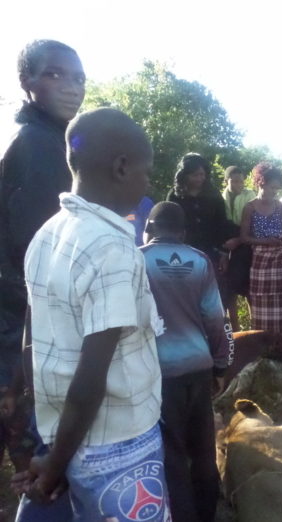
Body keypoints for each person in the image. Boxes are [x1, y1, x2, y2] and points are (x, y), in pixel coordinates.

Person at [13, 108, 170, 520]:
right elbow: (91, 376)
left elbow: (31, 342)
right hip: (120, 445)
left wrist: (53, 448)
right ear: (121, 167)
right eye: (146, 172)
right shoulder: (113, 249)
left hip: (63, 433)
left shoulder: (45, 236)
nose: (148, 182)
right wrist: (55, 465)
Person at [0, 39, 85, 521]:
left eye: (79, 78)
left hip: (21, 323)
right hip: (21, 328)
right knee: (38, 467)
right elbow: (38, 261)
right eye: (57, 75)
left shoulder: (50, 140)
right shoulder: (36, 147)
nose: (72, 87)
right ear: (27, 82)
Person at [141, 201, 232, 522]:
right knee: (204, 450)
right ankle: (207, 514)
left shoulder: (136, 261)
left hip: (158, 374)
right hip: (199, 366)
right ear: (182, 232)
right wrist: (221, 365)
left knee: (173, 456)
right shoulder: (200, 260)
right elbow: (216, 319)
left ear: (149, 228)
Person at [241, 162, 282, 336]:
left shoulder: (279, 206)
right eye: (272, 188)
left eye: (277, 189)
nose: (275, 192)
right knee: (264, 299)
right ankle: (265, 338)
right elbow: (244, 237)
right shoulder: (250, 208)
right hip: (261, 260)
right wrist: (264, 241)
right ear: (261, 183)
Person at [166, 153, 231, 270]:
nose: (200, 178)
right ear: (184, 175)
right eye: (195, 175)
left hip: (211, 251)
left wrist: (224, 252)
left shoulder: (214, 194)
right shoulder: (174, 196)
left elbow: (222, 222)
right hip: (181, 252)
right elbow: (169, 225)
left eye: (202, 174)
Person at [221, 166, 256, 331]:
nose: (238, 184)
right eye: (234, 181)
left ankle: (254, 327)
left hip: (246, 246)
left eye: (241, 181)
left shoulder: (250, 195)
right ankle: (236, 330)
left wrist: (239, 239)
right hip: (226, 245)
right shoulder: (220, 198)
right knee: (229, 291)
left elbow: (251, 222)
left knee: (250, 289)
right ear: (226, 181)